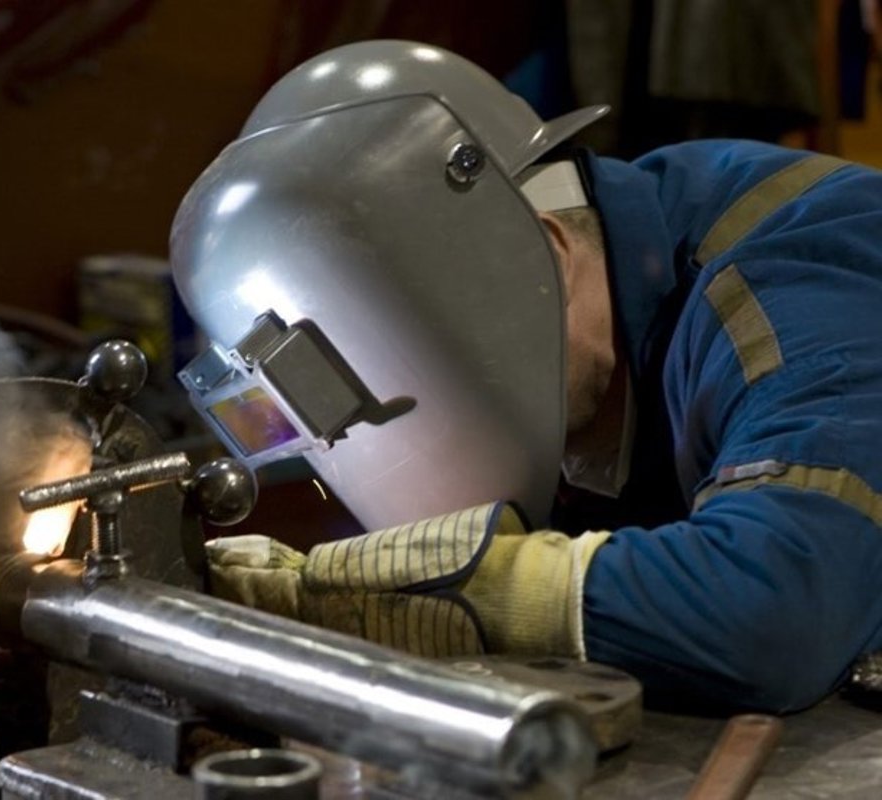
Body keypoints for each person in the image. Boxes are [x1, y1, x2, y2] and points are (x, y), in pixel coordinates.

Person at [168, 40, 882, 713]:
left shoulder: (799, 278)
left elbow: (778, 612)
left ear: (546, 257)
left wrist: (462, 589)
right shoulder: (587, 374)